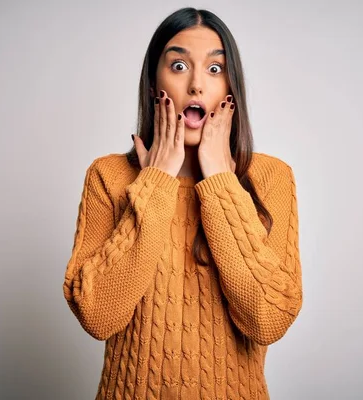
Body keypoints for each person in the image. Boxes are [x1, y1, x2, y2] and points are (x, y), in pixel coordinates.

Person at [63, 7, 303, 399]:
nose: (195, 85)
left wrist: (221, 181)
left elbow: (269, 319)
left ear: (231, 87)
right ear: (153, 81)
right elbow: (98, 315)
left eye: (213, 69)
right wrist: (156, 181)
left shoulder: (270, 178)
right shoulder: (109, 177)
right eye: (178, 65)